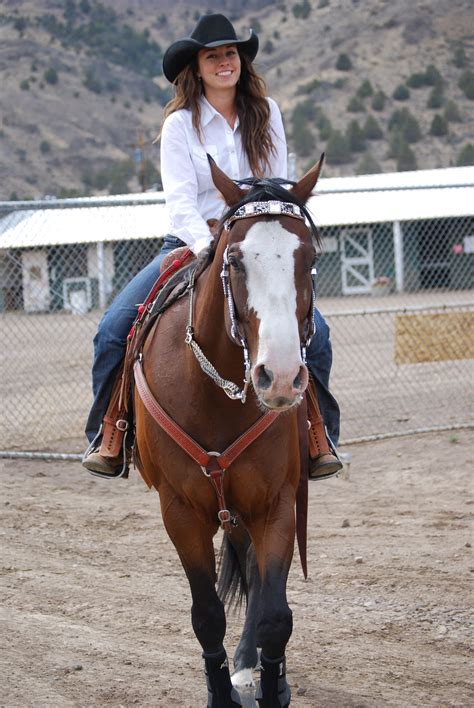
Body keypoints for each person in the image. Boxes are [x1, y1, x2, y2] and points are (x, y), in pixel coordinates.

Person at [82, 13, 341, 480]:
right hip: (190, 242)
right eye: (213, 56)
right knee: (113, 328)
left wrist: (252, 239)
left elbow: (273, 191)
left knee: (317, 335)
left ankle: (318, 435)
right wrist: (211, 247)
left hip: (258, 245)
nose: (225, 62)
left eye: (231, 53)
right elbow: (180, 204)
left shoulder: (268, 114)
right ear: (196, 67)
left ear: (241, 60)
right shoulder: (181, 124)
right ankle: (111, 432)